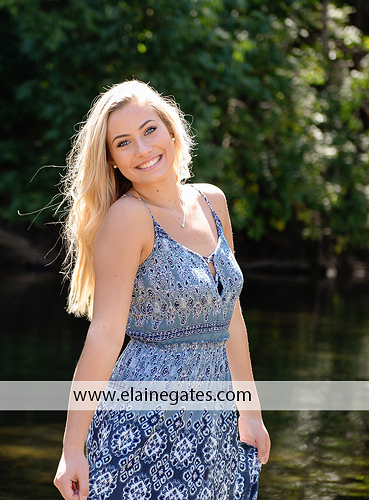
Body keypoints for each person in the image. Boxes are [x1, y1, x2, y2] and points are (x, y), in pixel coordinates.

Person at [53, 80, 270, 500]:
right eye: (123, 143)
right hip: (143, 420)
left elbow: (232, 320)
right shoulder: (128, 219)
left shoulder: (212, 202)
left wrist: (250, 411)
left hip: (215, 422)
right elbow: (104, 337)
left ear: (171, 131)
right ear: (112, 160)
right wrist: (71, 449)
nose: (142, 149)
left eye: (149, 130)